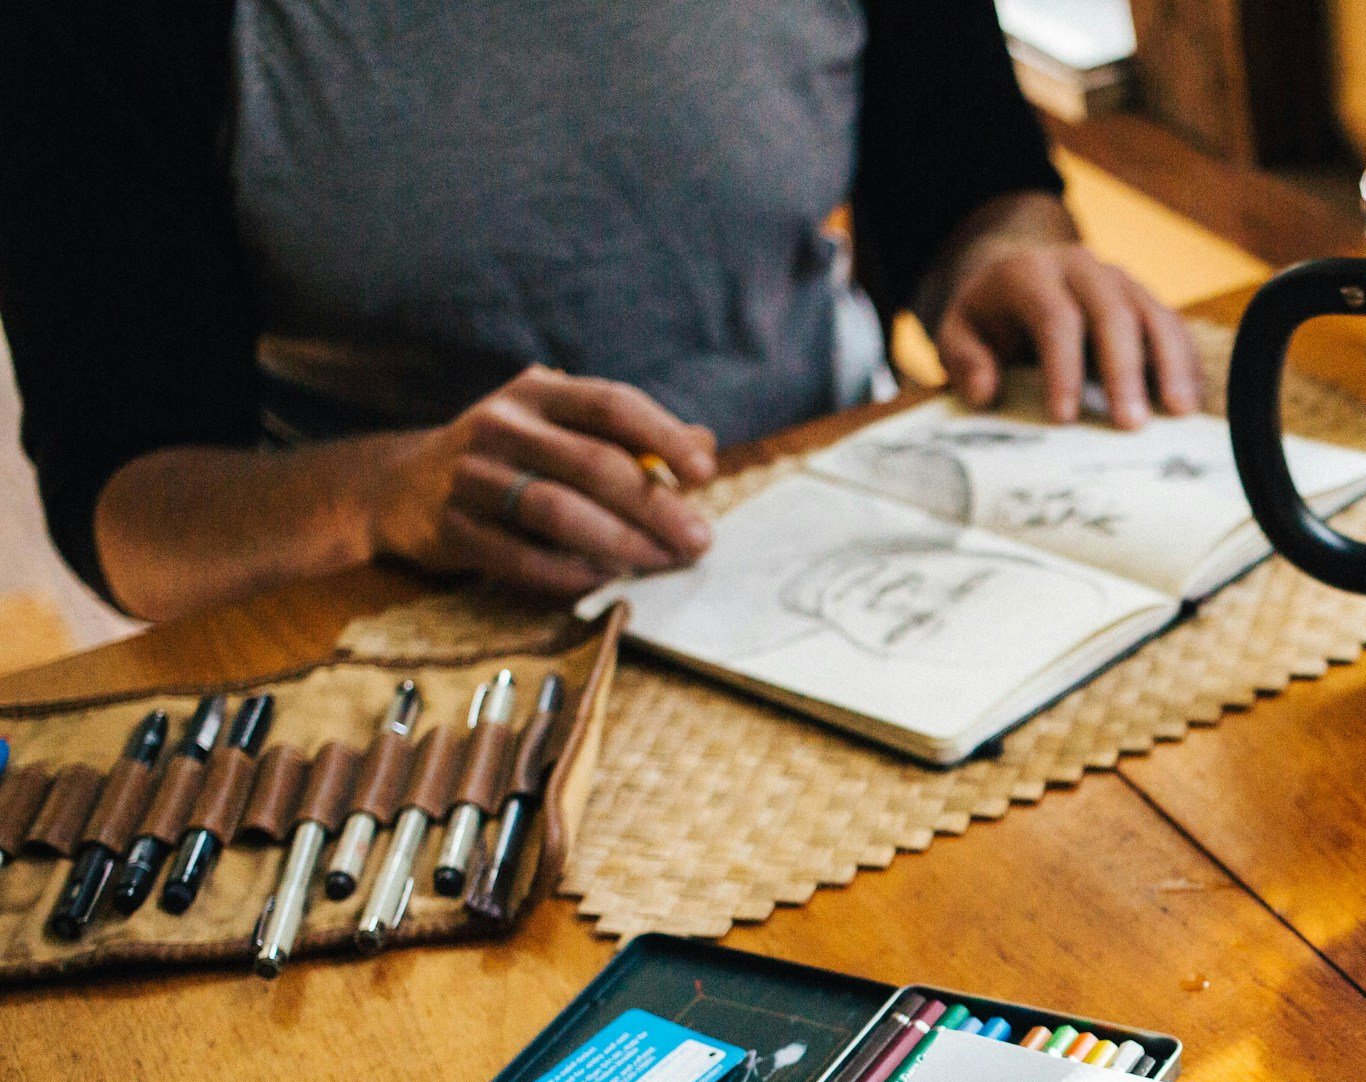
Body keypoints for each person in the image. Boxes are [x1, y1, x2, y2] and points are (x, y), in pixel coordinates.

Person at [0, 1, 1202, 622]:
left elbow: (972, 184)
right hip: (407, 628)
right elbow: (125, 501)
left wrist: (1002, 264)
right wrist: (384, 493)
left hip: (825, 527)